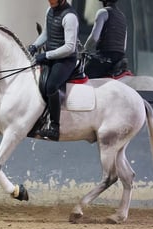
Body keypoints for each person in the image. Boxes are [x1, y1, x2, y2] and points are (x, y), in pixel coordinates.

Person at [28, 0, 79, 141]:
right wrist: (34, 45)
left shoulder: (70, 17)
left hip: (66, 60)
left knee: (51, 86)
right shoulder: (49, 10)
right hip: (51, 55)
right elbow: (45, 34)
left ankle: (55, 127)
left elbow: (69, 47)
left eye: (53, 0)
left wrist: (45, 55)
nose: (50, 3)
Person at [83, 0, 127, 78]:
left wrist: (83, 50)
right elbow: (124, 47)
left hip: (104, 59)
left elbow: (94, 38)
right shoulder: (123, 17)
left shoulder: (103, 12)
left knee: (81, 76)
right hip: (119, 61)